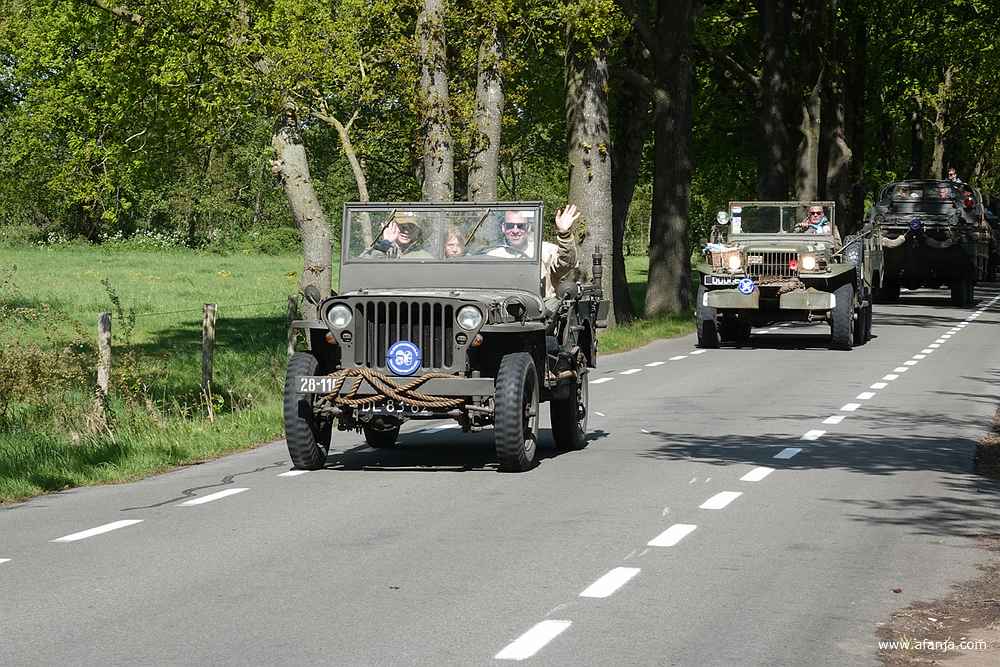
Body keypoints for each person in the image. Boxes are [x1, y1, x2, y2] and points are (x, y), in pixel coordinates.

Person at [487, 205, 580, 301]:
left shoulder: (545, 251)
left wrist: (564, 233)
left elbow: (567, 263)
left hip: (541, 309)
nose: (515, 230)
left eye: (520, 226)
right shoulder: (492, 256)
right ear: (503, 228)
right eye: (510, 226)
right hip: (500, 308)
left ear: (528, 227)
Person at [365, 213, 433, 259]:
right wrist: (385, 244)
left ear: (418, 232)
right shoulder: (376, 249)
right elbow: (360, 270)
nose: (406, 231)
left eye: (411, 227)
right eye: (402, 226)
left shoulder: (424, 257)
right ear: (390, 226)